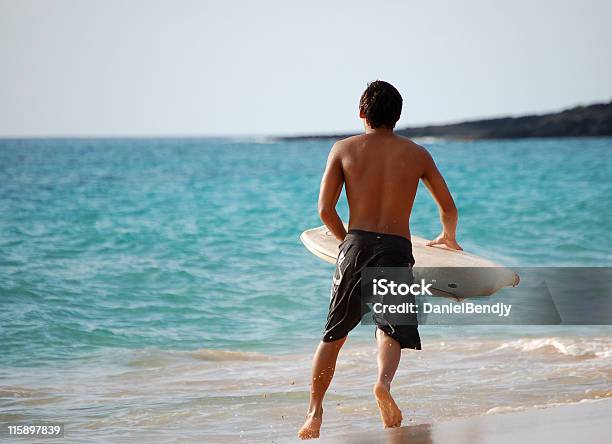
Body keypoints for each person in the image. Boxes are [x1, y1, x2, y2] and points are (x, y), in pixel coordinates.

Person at [298, 80, 462, 439]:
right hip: (396, 248)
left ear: (361, 113)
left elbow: (325, 210)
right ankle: (383, 384)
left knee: (334, 335)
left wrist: (346, 244)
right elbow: (448, 208)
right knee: (390, 328)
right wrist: (447, 237)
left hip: (356, 245)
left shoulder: (343, 149)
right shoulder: (418, 154)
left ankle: (314, 414)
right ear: (398, 116)